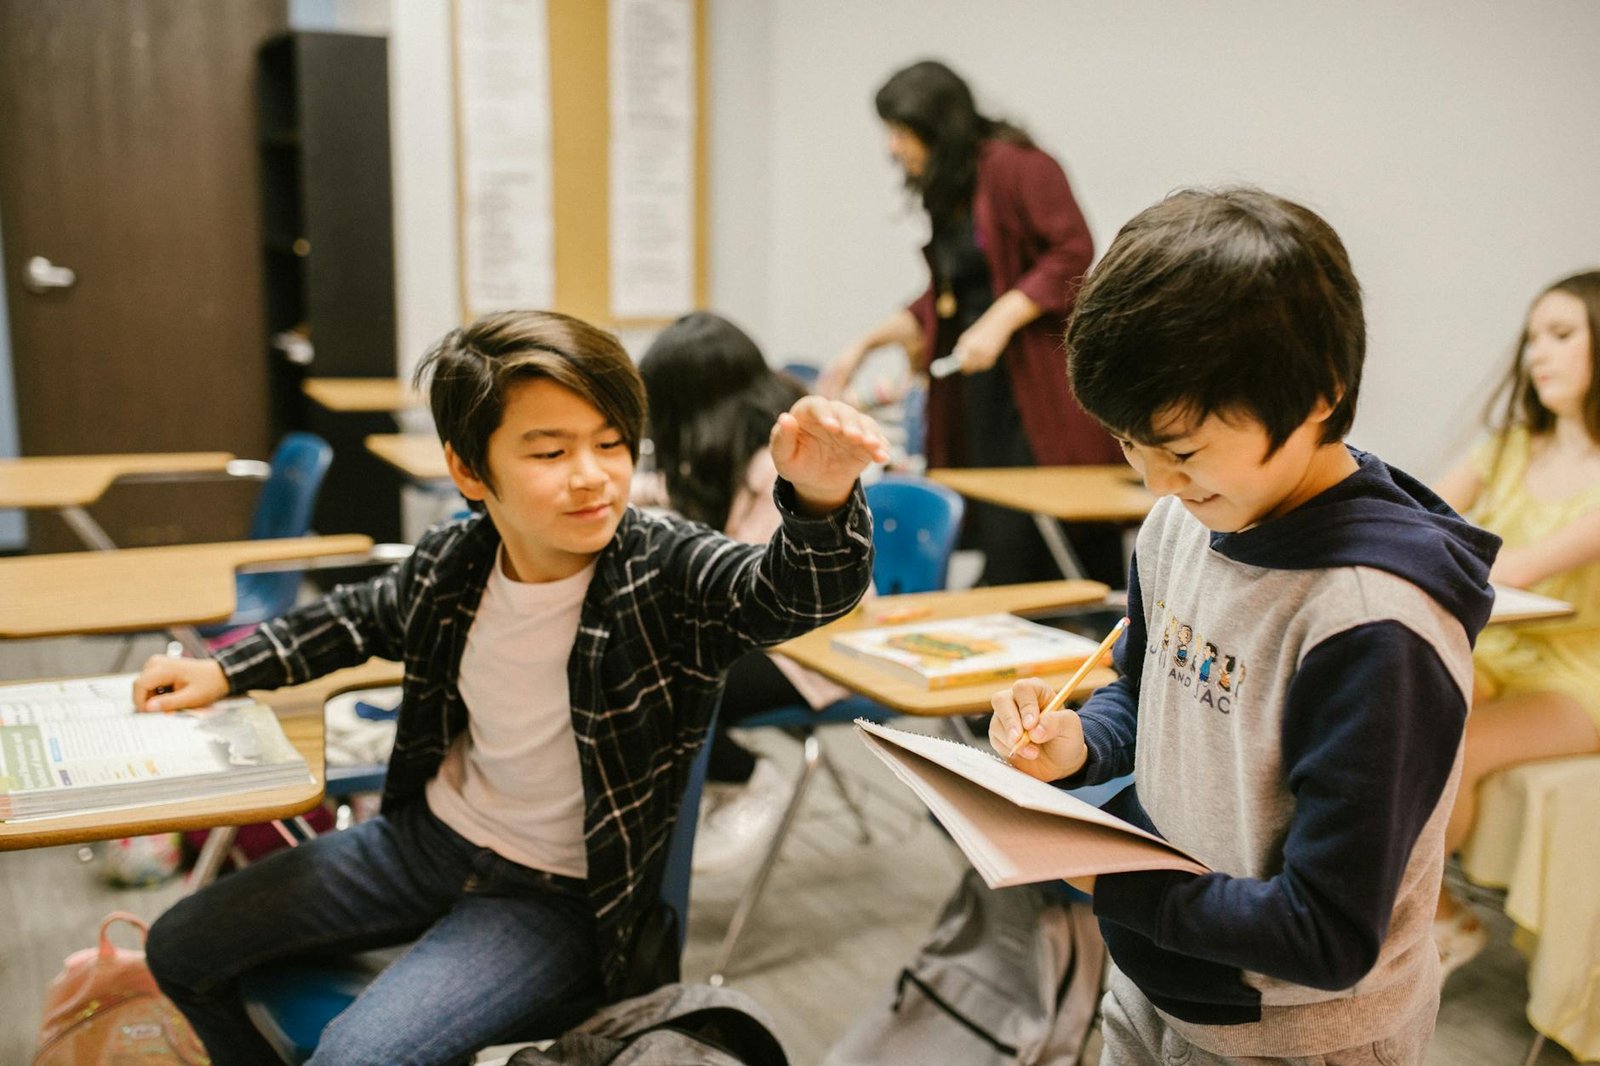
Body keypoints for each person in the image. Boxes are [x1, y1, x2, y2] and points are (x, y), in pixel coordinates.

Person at [133, 310, 886, 1066]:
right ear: (470, 471)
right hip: (425, 841)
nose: (591, 474)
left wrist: (819, 501)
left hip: (554, 900)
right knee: (178, 948)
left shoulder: (662, 567)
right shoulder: (455, 559)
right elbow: (361, 615)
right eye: (551, 451)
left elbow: (791, 597)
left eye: (612, 443)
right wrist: (229, 667)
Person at [987, 188, 1499, 1064]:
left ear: (1318, 396)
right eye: (1128, 446)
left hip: (1298, 1034)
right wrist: (1081, 745)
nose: (1154, 484)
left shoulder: (1374, 625)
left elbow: (1328, 936)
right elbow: (1148, 697)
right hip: (1161, 978)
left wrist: (1105, 880)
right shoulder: (1182, 522)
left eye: (1180, 453)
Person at [819, 58, 1123, 586]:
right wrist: (863, 346)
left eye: (900, 131)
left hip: (1036, 398)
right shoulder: (956, 187)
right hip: (983, 395)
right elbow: (951, 292)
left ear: (935, 125)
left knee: (1039, 548)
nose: (892, 146)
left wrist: (1002, 321)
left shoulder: (1019, 166)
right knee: (1001, 539)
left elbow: (1073, 251)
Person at [637, 311, 861, 876]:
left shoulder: (778, 464)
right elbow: (668, 492)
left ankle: (745, 779)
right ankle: (706, 777)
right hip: (764, 634)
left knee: (655, 668)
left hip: (812, 648)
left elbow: (772, 596)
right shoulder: (732, 450)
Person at [1429, 270, 1600, 978]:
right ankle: (1402, 912)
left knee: (1453, 749)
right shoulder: (1506, 447)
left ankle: (1427, 922)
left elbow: (1519, 569)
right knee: (1389, 714)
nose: (1539, 355)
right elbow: (1416, 520)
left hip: (1577, 675)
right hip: (1500, 655)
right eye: (1533, 338)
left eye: (1561, 336)